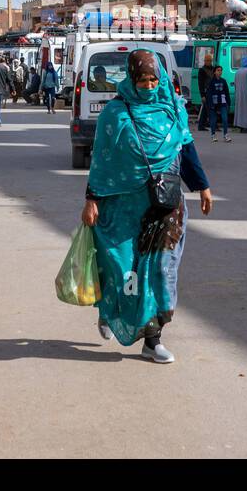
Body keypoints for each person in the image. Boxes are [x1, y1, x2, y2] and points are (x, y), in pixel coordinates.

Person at [81, 49, 213, 364]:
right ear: (131, 79)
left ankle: (153, 338)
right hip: (123, 205)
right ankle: (112, 309)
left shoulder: (172, 109)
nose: (150, 85)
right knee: (125, 268)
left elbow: (187, 149)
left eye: (154, 78)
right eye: (142, 80)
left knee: (161, 271)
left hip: (165, 203)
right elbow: (102, 159)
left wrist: (203, 186)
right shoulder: (115, 113)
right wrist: (91, 198)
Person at [205, 63, 231, 142]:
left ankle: (226, 135)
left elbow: (227, 92)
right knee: (213, 120)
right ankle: (213, 135)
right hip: (213, 103)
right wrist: (210, 104)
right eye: (218, 70)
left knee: (225, 119)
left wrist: (228, 102)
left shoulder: (223, 81)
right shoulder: (211, 82)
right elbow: (208, 94)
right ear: (214, 72)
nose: (220, 72)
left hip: (222, 103)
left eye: (221, 70)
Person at [195, 52, 216, 130]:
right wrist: (202, 95)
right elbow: (200, 83)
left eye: (210, 61)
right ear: (205, 61)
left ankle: (202, 125)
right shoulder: (202, 70)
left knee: (206, 109)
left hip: (212, 91)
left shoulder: (213, 69)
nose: (209, 62)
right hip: (206, 91)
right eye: (207, 61)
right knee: (208, 109)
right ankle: (206, 125)